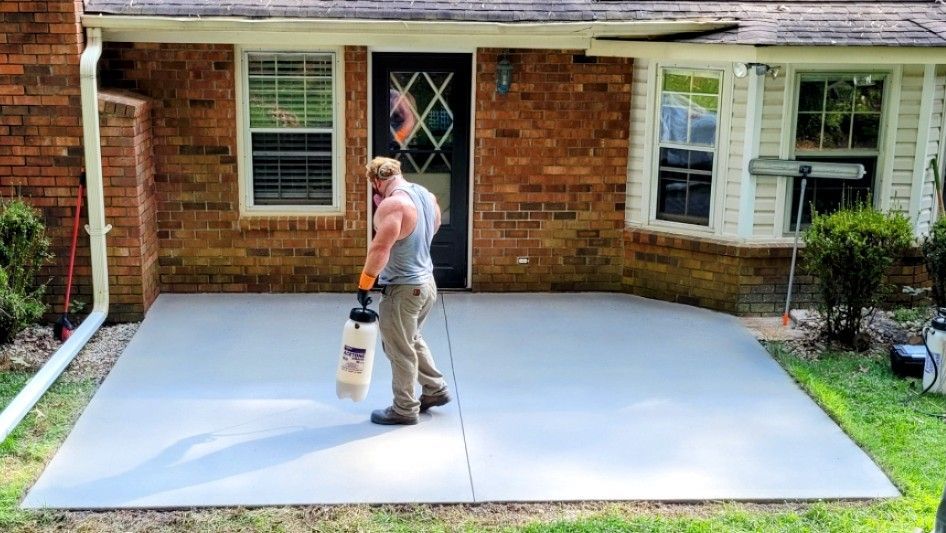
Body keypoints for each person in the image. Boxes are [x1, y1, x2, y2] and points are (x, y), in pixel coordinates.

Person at [357, 156, 450, 425]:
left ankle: (404, 408)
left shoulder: (393, 205)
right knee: (412, 338)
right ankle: (435, 389)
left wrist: (365, 284)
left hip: (404, 288)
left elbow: (379, 249)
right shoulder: (425, 195)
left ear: (376, 181)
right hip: (426, 284)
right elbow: (435, 225)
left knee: (399, 348)